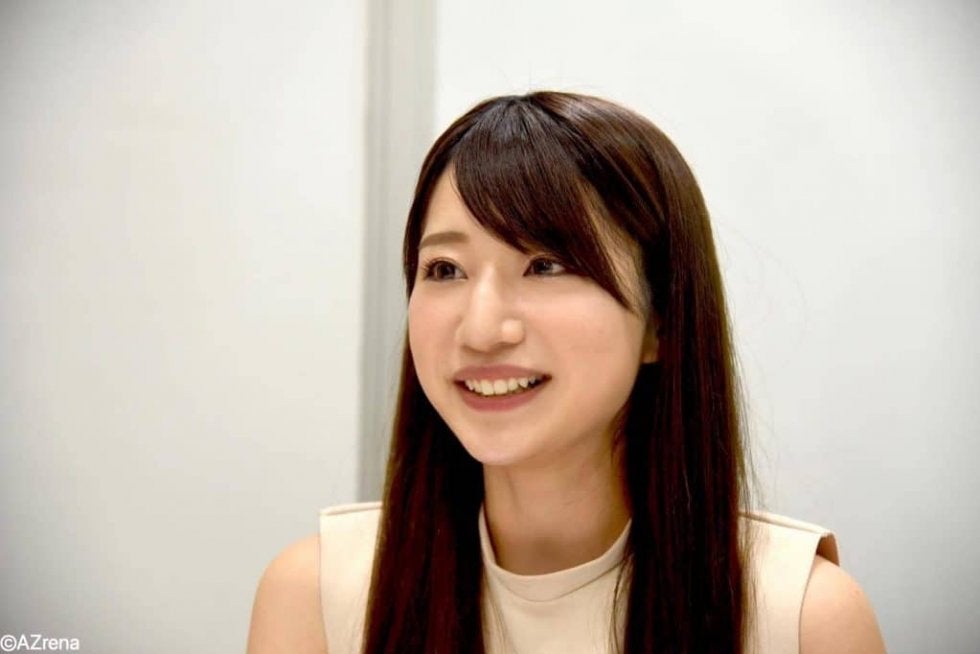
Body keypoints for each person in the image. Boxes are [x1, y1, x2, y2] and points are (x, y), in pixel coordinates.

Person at [246, 91, 886, 653]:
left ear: (661, 321)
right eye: (444, 270)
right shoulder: (322, 596)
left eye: (546, 265)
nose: (481, 329)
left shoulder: (798, 617)